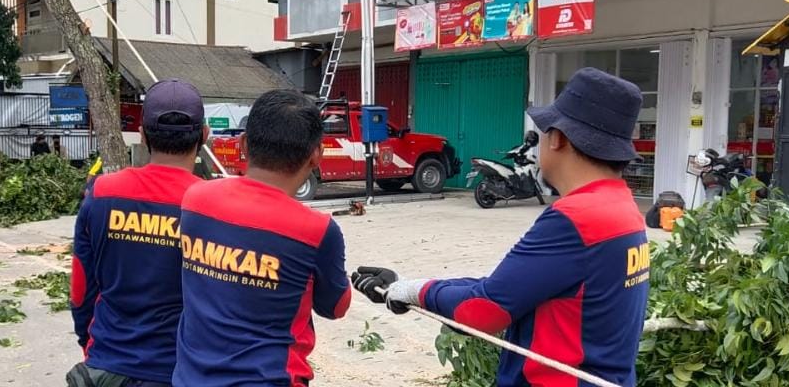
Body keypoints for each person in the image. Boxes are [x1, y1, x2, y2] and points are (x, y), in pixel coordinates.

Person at [353, 67, 651, 387]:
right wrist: (414, 287)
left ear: (559, 139)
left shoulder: (577, 218)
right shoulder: (623, 210)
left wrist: (412, 292)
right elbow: (511, 289)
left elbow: (483, 310)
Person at [173, 89, 351, 387]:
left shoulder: (195, 199)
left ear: (243, 144)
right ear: (316, 155)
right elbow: (335, 307)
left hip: (191, 379)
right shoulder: (317, 230)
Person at [68, 79, 209, 387]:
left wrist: (89, 344)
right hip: (178, 370)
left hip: (106, 364)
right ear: (205, 135)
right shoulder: (211, 206)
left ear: (143, 134)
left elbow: (81, 286)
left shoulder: (102, 192)